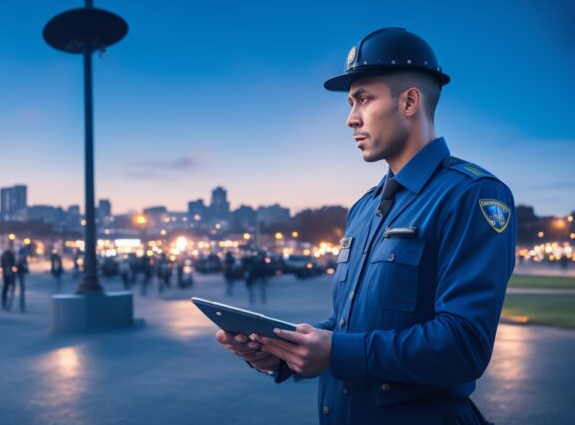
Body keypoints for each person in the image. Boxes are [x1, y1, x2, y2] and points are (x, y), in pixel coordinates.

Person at [216, 27, 514, 424]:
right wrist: (281, 350)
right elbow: (351, 325)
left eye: (363, 99)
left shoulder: (471, 194)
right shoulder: (363, 208)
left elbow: (464, 346)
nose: (350, 118)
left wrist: (336, 352)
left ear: (409, 101)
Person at [0, 244, 16, 311]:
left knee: (6, 286)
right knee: (6, 286)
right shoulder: (7, 254)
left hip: (8, 272)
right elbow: (5, 264)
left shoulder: (9, 254)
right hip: (7, 272)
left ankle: (5, 300)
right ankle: (5, 300)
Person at [16, 247, 29, 312]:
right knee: (21, 290)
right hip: (19, 274)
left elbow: (26, 268)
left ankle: (22, 305)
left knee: (22, 290)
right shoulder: (19, 261)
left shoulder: (23, 260)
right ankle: (21, 305)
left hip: (21, 274)